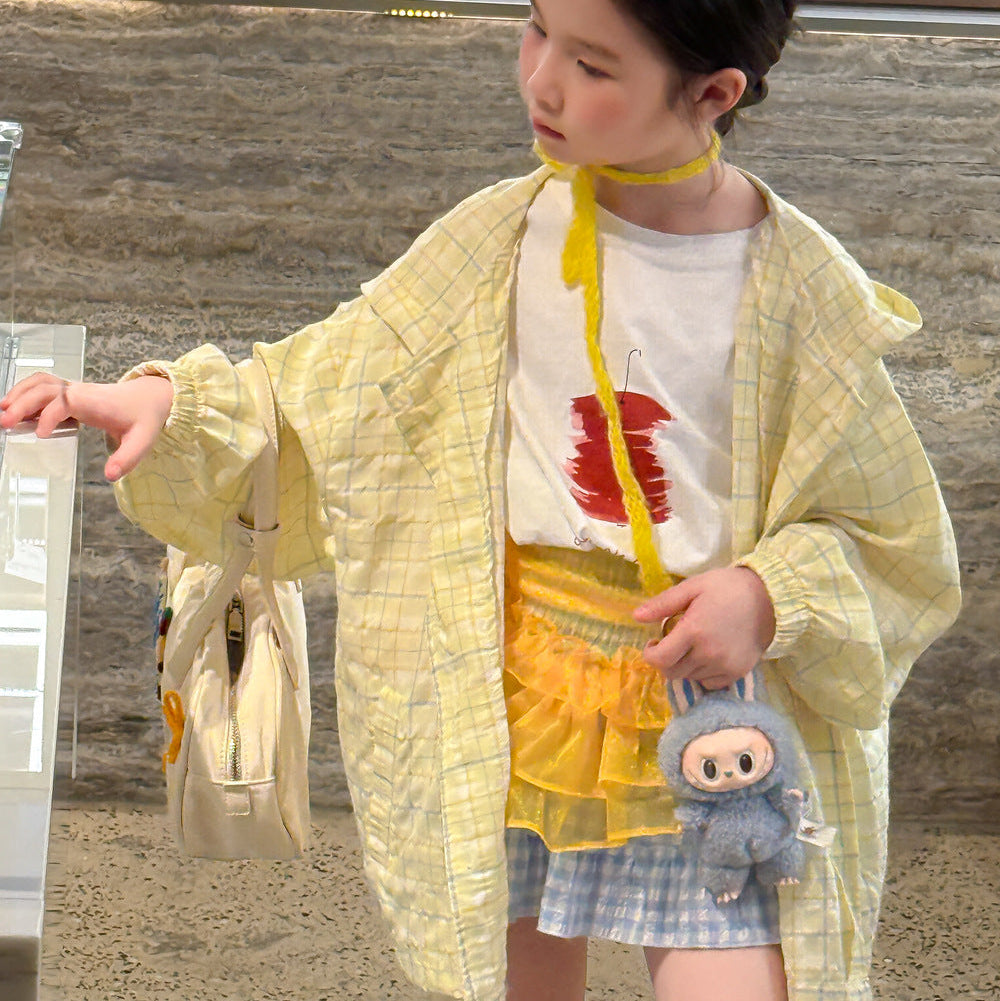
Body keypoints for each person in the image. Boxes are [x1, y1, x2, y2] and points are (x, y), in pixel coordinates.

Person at [1, 0, 960, 998]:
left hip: (712, 708)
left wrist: (766, 594)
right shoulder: (496, 240)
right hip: (503, 692)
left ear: (711, 93)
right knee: (511, 971)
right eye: (537, 28)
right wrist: (168, 400)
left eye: (592, 65)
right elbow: (321, 384)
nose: (542, 80)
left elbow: (889, 535)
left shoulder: (799, 287)